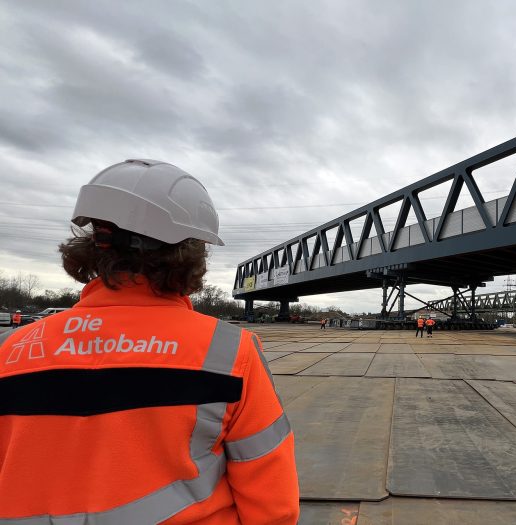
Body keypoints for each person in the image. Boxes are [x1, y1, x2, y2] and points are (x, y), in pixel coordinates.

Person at [0, 160, 299, 524]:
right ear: (190, 253)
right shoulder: (227, 351)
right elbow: (273, 506)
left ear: (94, 243)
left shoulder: (12, 349)